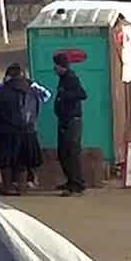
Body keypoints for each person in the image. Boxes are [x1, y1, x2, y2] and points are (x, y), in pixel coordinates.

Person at [0, 63, 48, 195]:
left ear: (8, 76)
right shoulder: (32, 90)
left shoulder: (2, 90)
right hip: (28, 130)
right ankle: (22, 187)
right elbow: (42, 101)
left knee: (6, 161)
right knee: (23, 160)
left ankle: (7, 187)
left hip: (6, 131)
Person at [53, 52, 88, 196]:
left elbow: (82, 94)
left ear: (62, 66)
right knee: (63, 153)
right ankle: (70, 180)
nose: (54, 68)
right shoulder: (63, 78)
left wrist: (64, 97)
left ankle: (76, 184)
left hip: (72, 121)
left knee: (71, 153)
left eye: (56, 65)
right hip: (65, 120)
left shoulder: (71, 78)